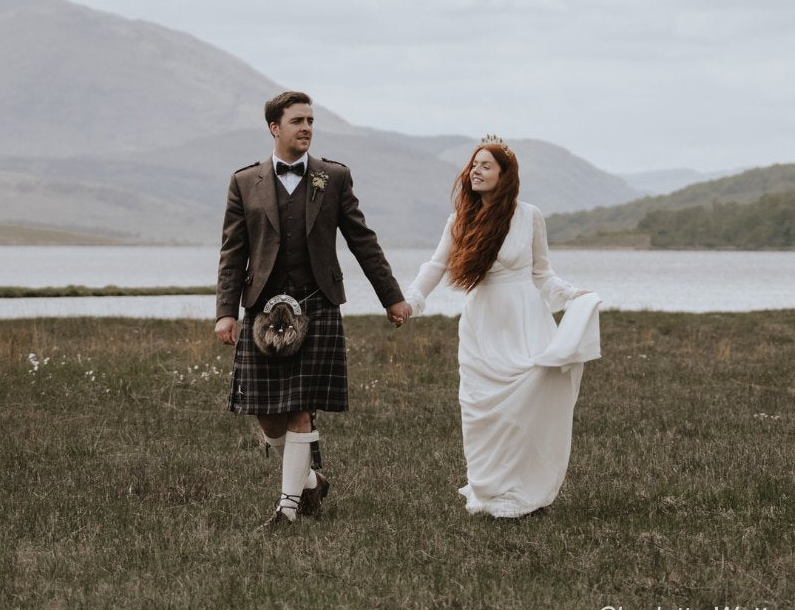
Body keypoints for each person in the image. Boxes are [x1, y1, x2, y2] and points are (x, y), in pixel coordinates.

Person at [215, 91, 412, 530]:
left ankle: (287, 510)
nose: (306, 128)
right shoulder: (245, 182)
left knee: (301, 408)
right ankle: (310, 480)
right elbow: (233, 252)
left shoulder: (333, 177)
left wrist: (391, 296)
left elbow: (363, 240)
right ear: (274, 127)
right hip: (262, 311)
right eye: (297, 121)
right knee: (266, 412)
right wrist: (226, 311)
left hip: (317, 304)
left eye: (310, 121)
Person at [404, 135, 602, 518]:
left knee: (528, 404)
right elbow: (436, 266)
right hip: (483, 322)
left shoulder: (529, 216)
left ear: (505, 175)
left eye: (485, 166)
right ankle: (491, 491)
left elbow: (542, 273)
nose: (475, 171)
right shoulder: (460, 219)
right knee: (481, 409)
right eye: (473, 165)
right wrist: (412, 301)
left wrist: (573, 295)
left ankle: (528, 493)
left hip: (526, 319)